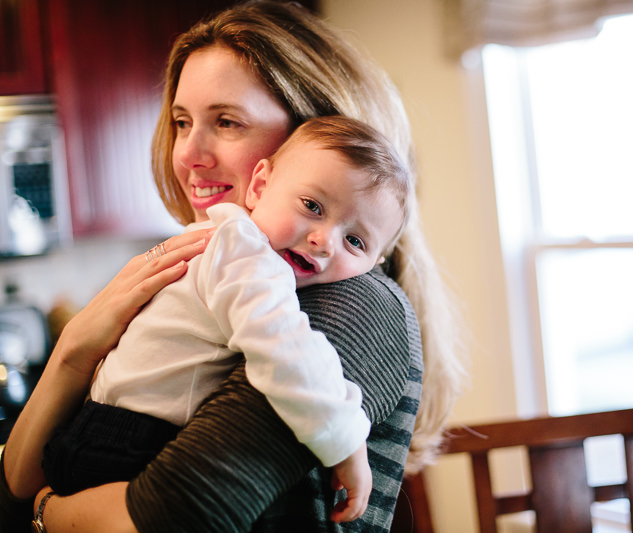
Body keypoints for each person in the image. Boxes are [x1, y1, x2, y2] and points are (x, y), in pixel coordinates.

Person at [0, 2, 465, 532]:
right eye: (181, 121)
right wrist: (73, 350)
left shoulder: (352, 303)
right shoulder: (212, 265)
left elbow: (180, 514)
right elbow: (14, 480)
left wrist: (45, 514)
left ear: (316, 131)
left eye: (227, 121)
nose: (189, 154)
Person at [40, 116, 411, 523]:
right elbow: (283, 348)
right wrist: (344, 438)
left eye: (354, 241)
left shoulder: (238, 248)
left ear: (374, 264)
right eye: (312, 206)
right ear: (260, 186)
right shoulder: (246, 253)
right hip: (124, 442)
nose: (324, 240)